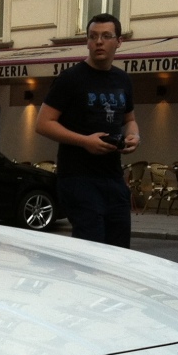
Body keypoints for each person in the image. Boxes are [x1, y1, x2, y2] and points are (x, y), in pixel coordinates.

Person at [35, 13, 140, 247]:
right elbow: (43, 123)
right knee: (91, 248)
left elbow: (130, 119)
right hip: (77, 177)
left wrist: (134, 136)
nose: (99, 42)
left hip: (113, 177)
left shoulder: (123, 80)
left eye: (105, 36)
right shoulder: (70, 79)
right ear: (87, 41)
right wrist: (85, 141)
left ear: (119, 41)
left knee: (120, 250)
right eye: (93, 36)